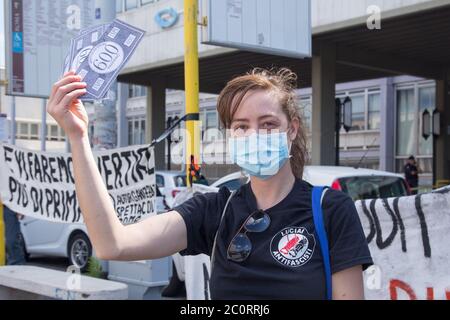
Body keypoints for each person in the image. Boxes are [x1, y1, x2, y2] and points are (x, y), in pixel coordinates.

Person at [47, 68, 373, 300]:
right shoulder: (214, 209)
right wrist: (77, 138)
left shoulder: (330, 209)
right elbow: (112, 244)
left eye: (268, 123)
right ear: (230, 135)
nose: (254, 135)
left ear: (292, 129)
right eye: (242, 126)